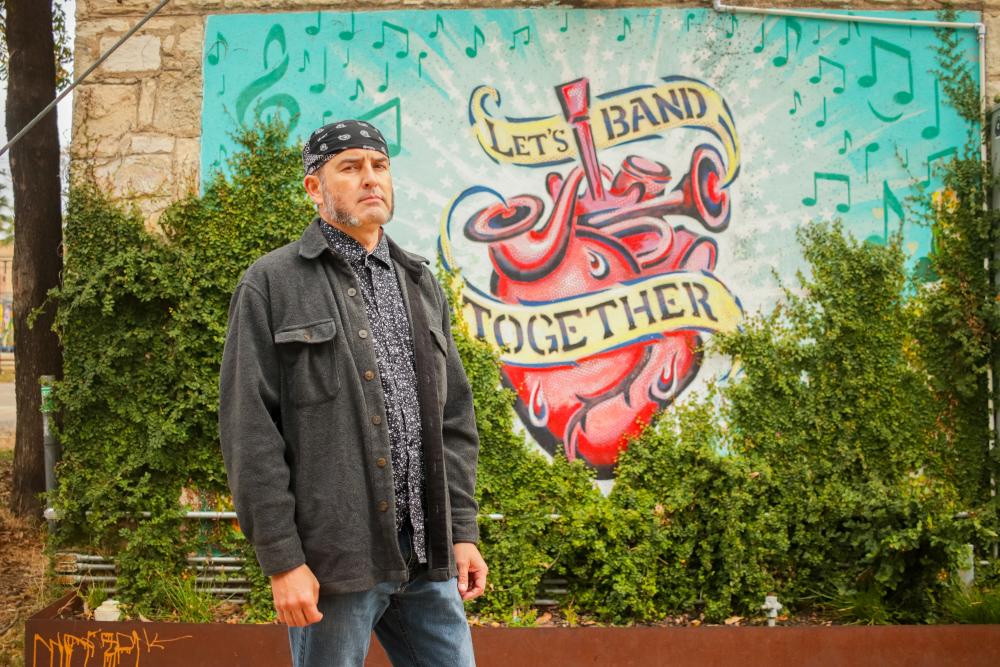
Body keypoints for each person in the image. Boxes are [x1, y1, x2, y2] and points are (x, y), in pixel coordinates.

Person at [218, 119, 486, 667]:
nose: (371, 178)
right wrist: (282, 561)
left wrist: (460, 531)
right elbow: (250, 433)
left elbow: (454, 419)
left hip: (424, 559)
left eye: (379, 165)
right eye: (350, 167)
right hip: (335, 565)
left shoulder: (418, 281)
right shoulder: (271, 284)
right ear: (314, 188)